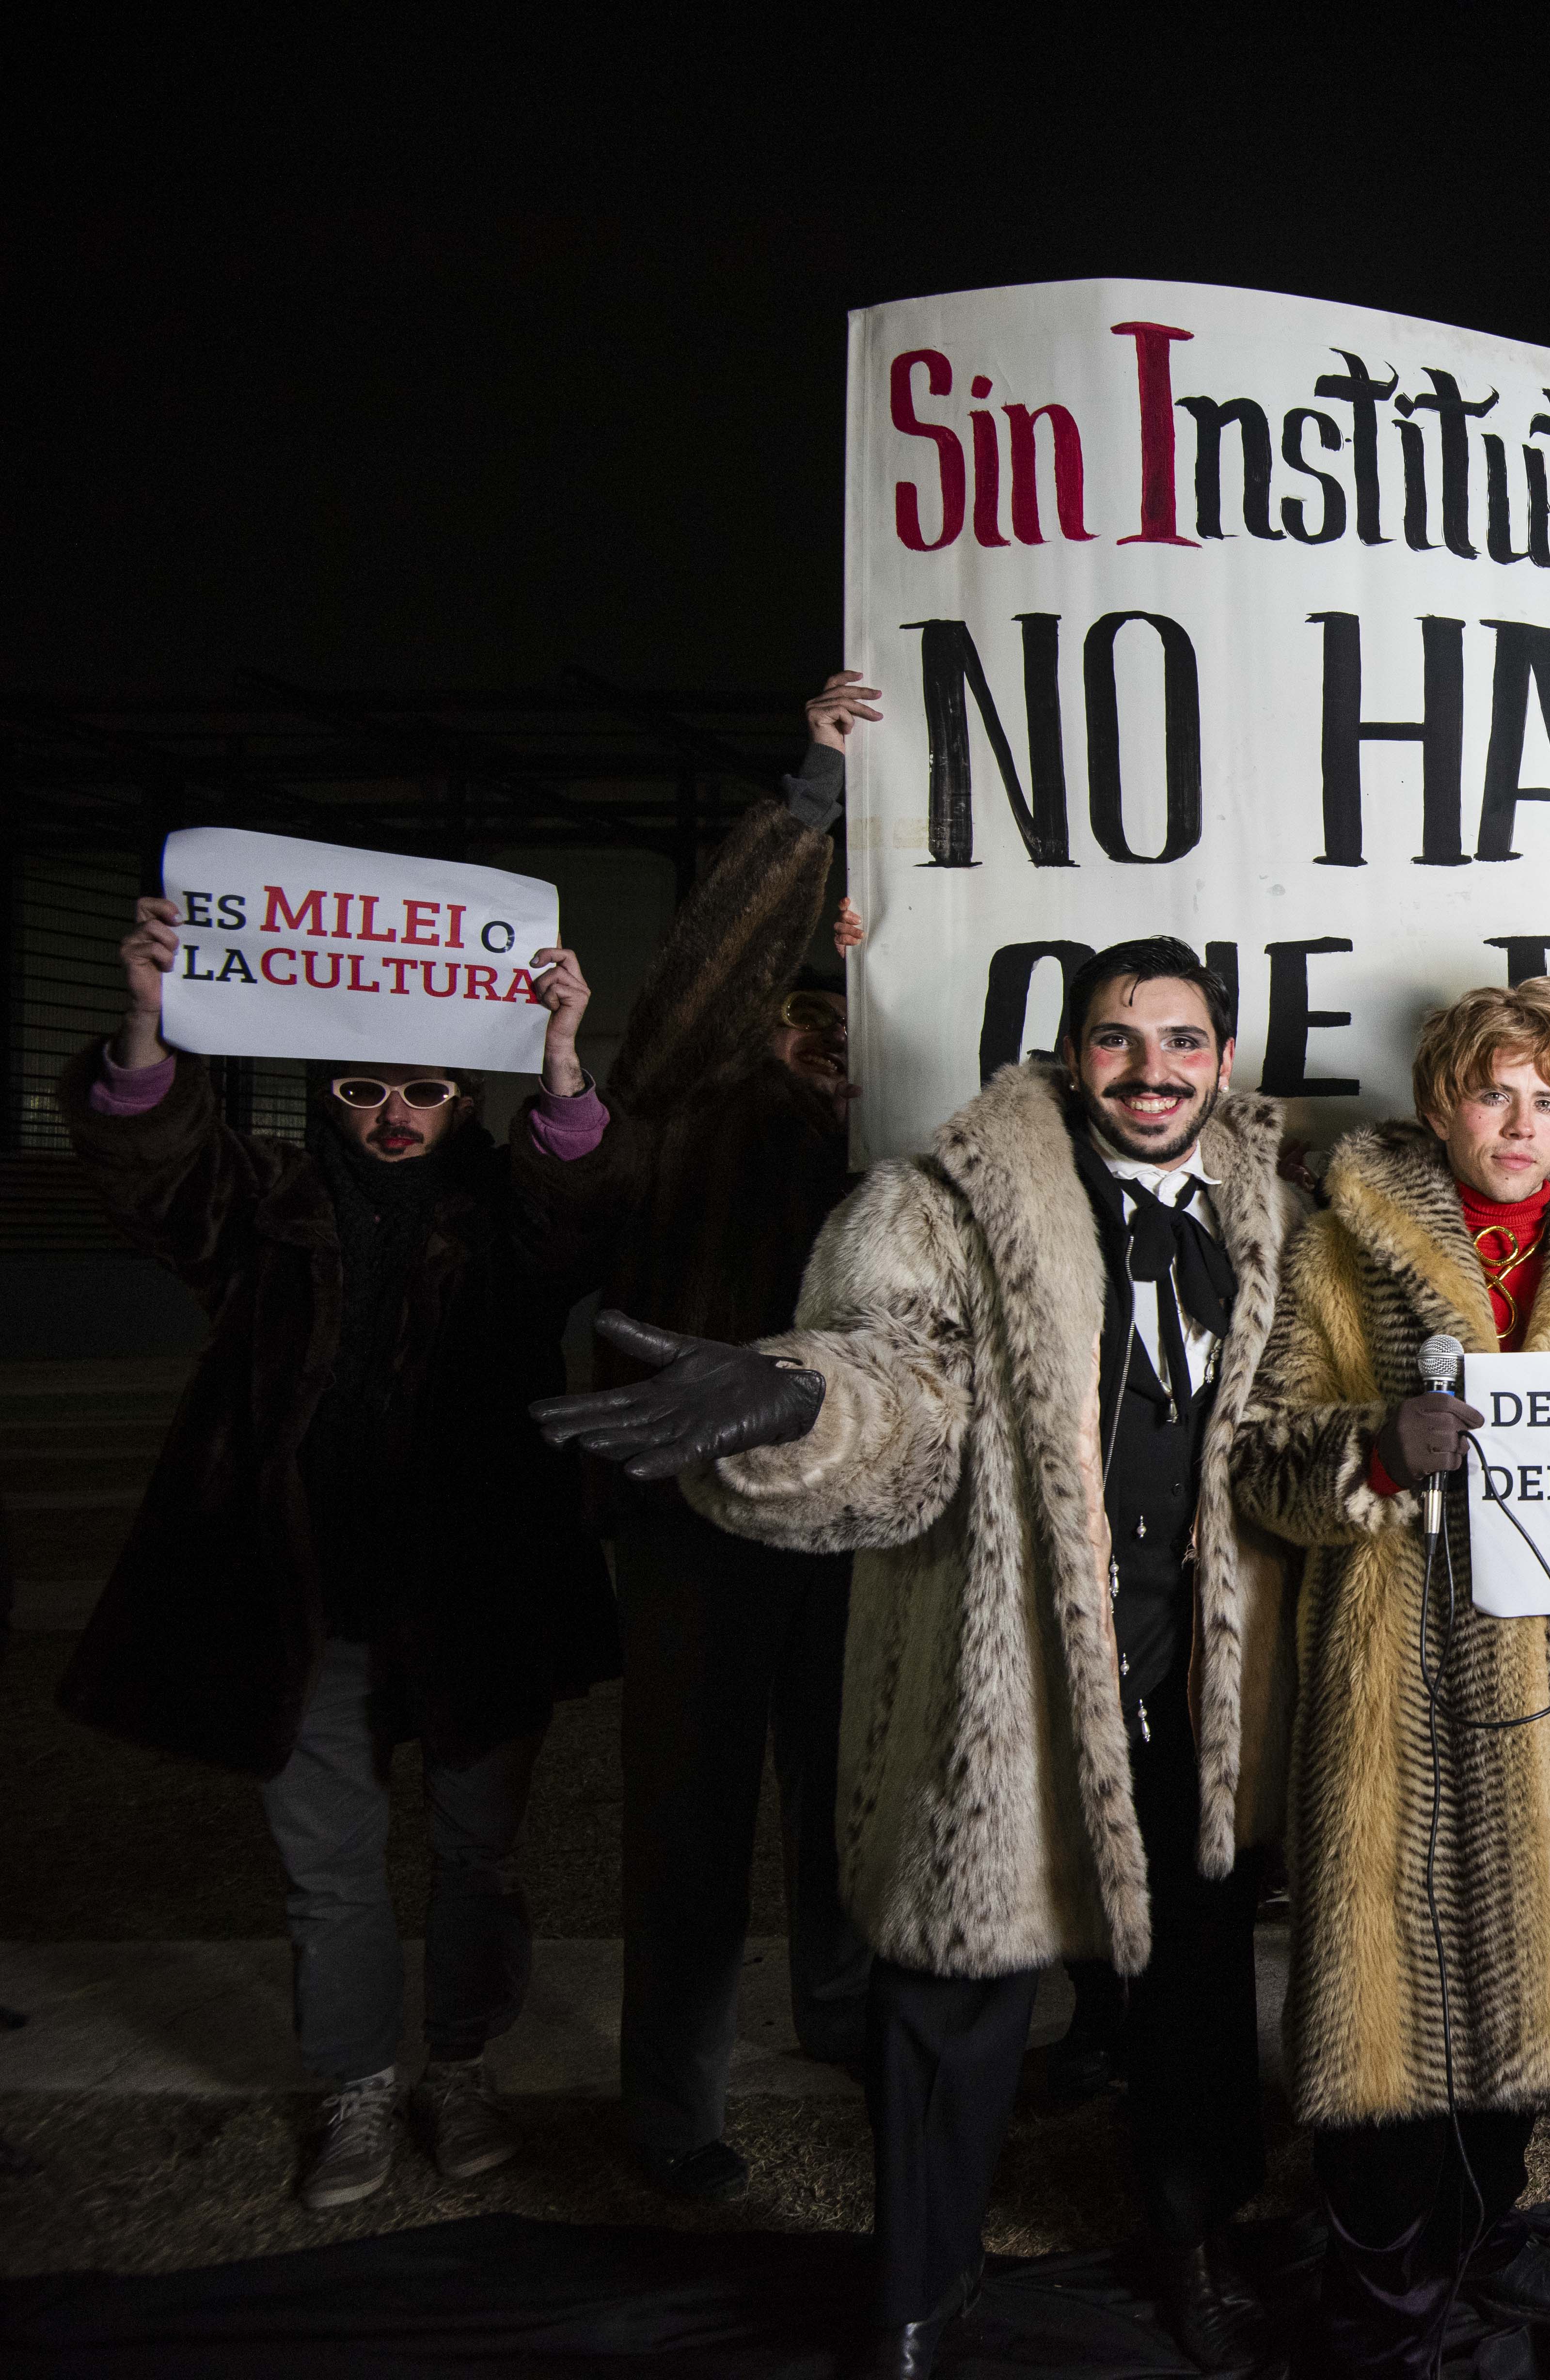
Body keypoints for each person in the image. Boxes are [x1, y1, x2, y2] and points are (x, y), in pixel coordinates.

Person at [538, 938, 1307, 2378]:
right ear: (1072, 1053)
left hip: (1197, 1676)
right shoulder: (940, 1203)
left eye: (1184, 1043)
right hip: (997, 1669)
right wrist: (796, 1401)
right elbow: (893, 1382)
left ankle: (1195, 2243)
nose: (1154, 1073)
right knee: (954, 1989)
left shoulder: (1275, 1208)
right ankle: (917, 2290)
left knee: (1195, 1986)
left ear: (1223, 1053)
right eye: (1120, 1042)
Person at [63, 899, 615, 2210]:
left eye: (423, 1088)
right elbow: (161, 1178)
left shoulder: (504, 1211)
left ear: (462, 1100)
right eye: (364, 1088)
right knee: (329, 1867)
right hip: (304, 1591)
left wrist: (561, 1064)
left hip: (474, 1588)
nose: (392, 1113)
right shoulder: (266, 1203)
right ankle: (358, 2082)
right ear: (330, 1092)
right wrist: (145, 1025)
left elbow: (579, 1227)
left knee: (479, 1852)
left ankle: (460, 2064)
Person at [1229, 978, 1550, 2380]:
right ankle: (1377, 2305)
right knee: (1389, 2027)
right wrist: (1373, 1451)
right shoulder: (1338, 1249)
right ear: (1443, 1101)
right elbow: (1260, 1459)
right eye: (1498, 1093)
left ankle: (1476, 2246)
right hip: (1399, 1678)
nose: (1522, 1124)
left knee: (1540, 2000)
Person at [525, 668, 875, 2203]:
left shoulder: (909, 1123)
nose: (826, 1037)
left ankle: (848, 2027)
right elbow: (687, 1014)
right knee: (687, 1814)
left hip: (856, 1509)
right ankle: (672, 2112)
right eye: (804, 1015)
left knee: (845, 1786)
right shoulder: (704, 1098)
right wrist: (808, 801)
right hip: (693, 1514)